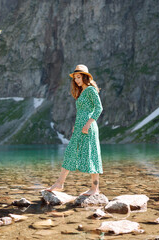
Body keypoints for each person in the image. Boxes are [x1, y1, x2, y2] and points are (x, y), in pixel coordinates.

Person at [47, 64, 103, 196]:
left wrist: (87, 124)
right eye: (75, 78)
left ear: (85, 77)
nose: (76, 80)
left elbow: (99, 108)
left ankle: (95, 189)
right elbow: (82, 111)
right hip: (80, 126)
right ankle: (60, 183)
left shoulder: (90, 90)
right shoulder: (82, 92)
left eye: (79, 77)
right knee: (70, 152)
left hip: (88, 127)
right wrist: (77, 125)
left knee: (92, 155)